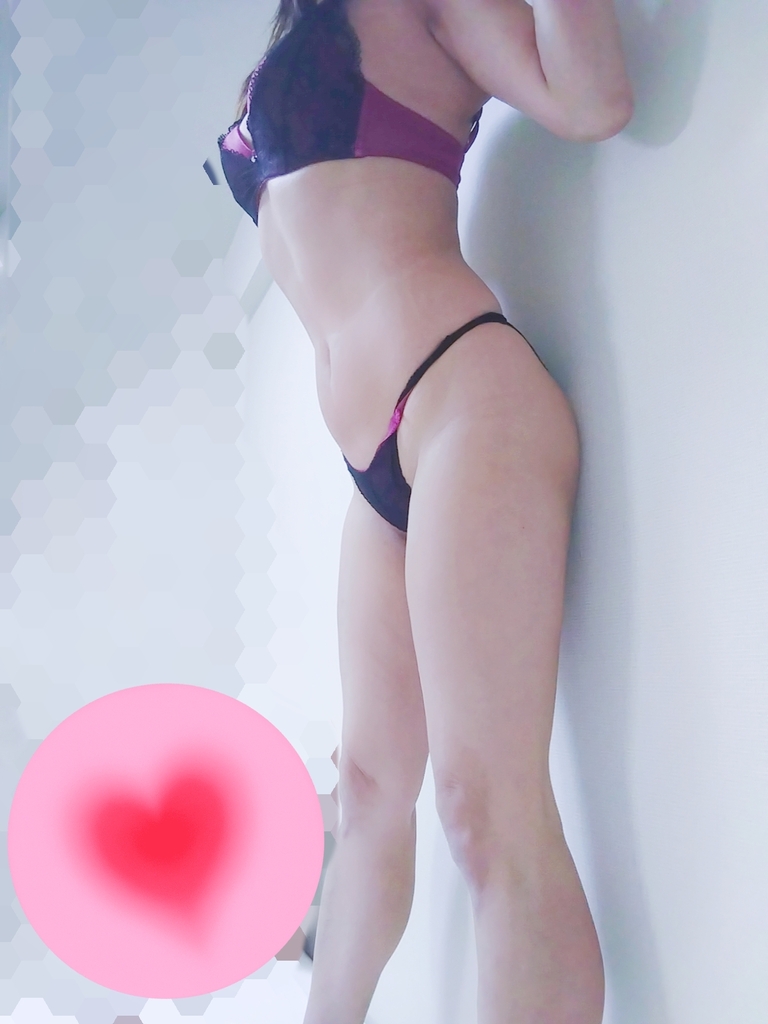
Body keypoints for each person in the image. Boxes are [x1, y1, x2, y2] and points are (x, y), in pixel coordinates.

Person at [218, 0, 633, 1021]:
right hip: (375, 462)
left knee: (486, 809)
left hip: (458, 397)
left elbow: (592, 103)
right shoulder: (308, 22)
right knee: (367, 792)